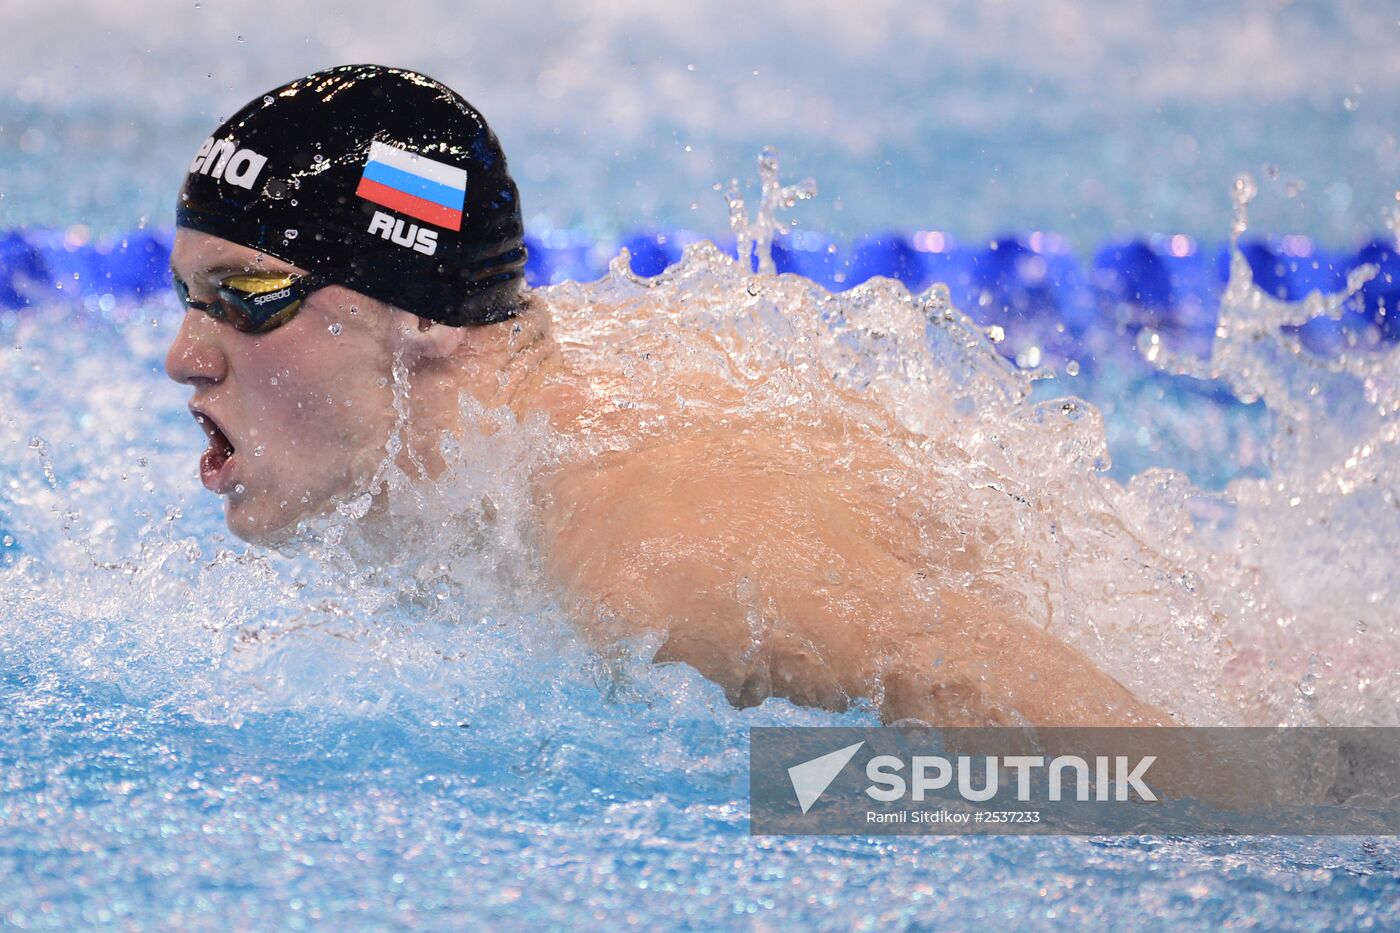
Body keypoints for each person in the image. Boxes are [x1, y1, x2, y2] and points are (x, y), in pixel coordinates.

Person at [166, 64, 1168, 729]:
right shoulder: (503, 451)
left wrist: (818, 801)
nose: (184, 357)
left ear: (422, 315)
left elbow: (1158, 778)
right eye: (184, 302)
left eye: (247, 299)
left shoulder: (661, 566)